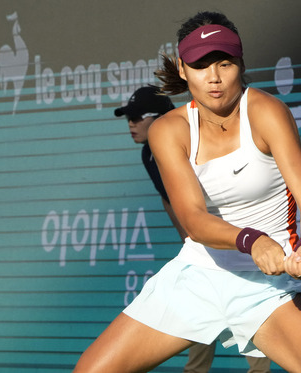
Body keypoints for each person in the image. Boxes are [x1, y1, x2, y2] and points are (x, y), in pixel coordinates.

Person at [74, 11, 301, 373]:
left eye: (224, 64)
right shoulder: (168, 131)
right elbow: (194, 219)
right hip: (199, 274)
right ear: (182, 69)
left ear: (240, 65)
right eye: (200, 66)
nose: (213, 78)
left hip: (271, 287)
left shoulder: (267, 112)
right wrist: (253, 242)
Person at [113, 85, 271, 372]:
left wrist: (227, 239)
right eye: (128, 118)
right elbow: (170, 200)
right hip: (204, 253)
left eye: (137, 117)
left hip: (239, 247)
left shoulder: (186, 140)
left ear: (161, 117)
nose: (131, 124)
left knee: (249, 319)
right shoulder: (149, 154)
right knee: (198, 314)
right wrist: (190, 240)